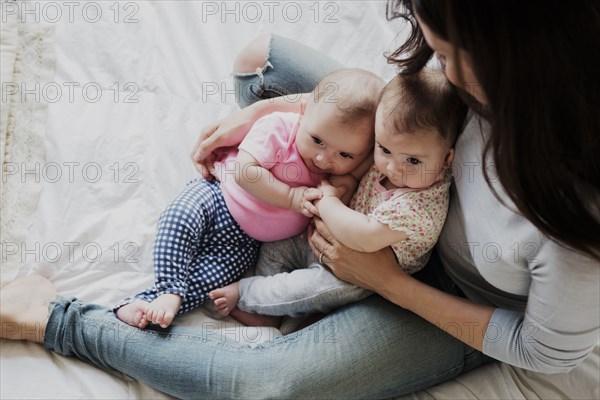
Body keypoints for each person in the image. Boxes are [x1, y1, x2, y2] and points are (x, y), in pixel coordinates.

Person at [1, 1, 598, 399]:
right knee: (261, 61)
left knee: (259, 384)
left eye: (446, 55)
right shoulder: (474, 85)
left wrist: (387, 281)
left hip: (446, 289)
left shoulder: (578, 213)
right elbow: (413, 102)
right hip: (403, 167)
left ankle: (53, 318)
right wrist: (275, 112)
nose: (435, 61)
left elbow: (543, 351)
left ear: (524, 63)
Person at [115, 68, 384, 329]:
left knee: (211, 280)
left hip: (245, 242)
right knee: (181, 217)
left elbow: (350, 184)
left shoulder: (338, 172)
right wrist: (292, 197)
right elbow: (246, 172)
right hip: (218, 197)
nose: (324, 159)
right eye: (317, 140)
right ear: (302, 111)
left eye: (345, 155)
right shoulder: (280, 128)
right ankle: (169, 287)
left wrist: (340, 189)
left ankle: (145, 305)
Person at [210, 70, 467, 324]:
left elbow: (365, 236)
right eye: (384, 149)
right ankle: (267, 314)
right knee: (277, 248)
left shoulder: (420, 206)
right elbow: (347, 142)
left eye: (412, 160)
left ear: (447, 158)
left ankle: (248, 294)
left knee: (315, 289)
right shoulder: (396, 154)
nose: (392, 167)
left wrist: (328, 201)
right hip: (325, 233)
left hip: (360, 271)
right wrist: (343, 186)